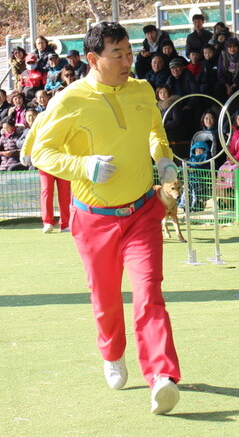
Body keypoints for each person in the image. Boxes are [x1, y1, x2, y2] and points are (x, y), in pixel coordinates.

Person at [29, 21, 181, 415]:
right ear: (94, 59)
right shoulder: (68, 100)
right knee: (106, 299)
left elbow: (154, 131)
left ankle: (161, 376)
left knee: (149, 294)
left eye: (130, 53)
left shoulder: (143, 89)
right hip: (93, 219)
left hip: (142, 211)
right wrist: (83, 166)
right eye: (120, 55)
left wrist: (162, 159)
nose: (129, 61)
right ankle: (112, 353)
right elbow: (40, 153)